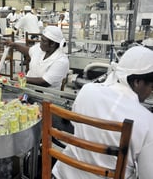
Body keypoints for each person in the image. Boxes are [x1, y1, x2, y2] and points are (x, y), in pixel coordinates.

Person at [52, 46, 153, 179]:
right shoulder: (147, 121)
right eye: (151, 86)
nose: (151, 92)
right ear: (137, 82)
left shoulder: (87, 90)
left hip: (63, 174)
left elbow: (74, 124)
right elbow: (148, 174)